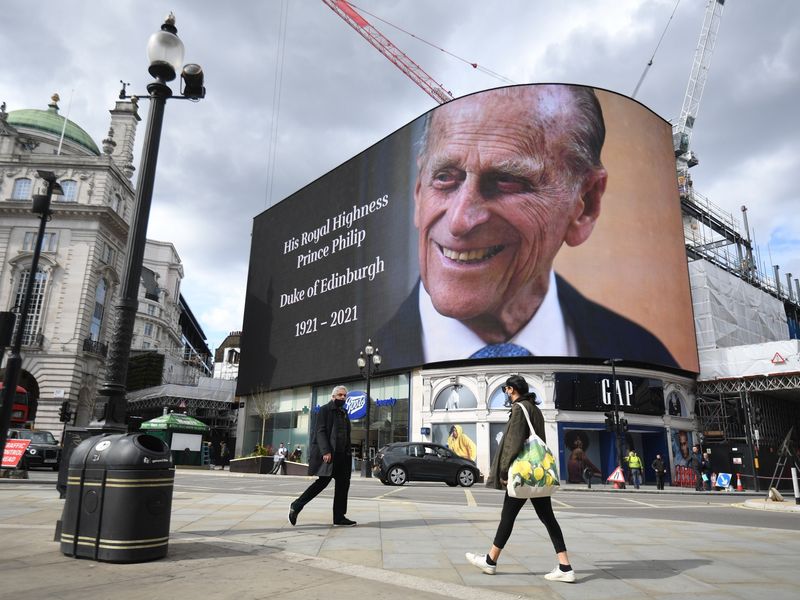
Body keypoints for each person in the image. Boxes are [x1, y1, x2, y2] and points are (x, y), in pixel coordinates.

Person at [377, 85, 677, 368]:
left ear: (585, 203)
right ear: (419, 192)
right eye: (444, 177)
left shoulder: (645, 354)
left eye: (507, 181)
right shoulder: (358, 362)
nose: (459, 221)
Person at [465, 375, 575, 583]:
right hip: (536, 474)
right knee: (547, 518)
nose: (505, 393)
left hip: (522, 473)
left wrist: (504, 471)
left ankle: (490, 561)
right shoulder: (535, 409)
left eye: (506, 389)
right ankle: (565, 566)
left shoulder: (519, 409)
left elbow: (513, 442)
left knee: (508, 516)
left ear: (513, 389)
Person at [288, 385, 356, 527]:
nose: (343, 398)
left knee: (343, 485)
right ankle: (296, 505)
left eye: (345, 396)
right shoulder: (325, 410)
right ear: (333, 397)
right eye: (340, 395)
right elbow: (320, 431)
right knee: (322, 483)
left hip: (343, 455)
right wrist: (325, 451)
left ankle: (339, 517)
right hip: (330, 455)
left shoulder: (344, 412)